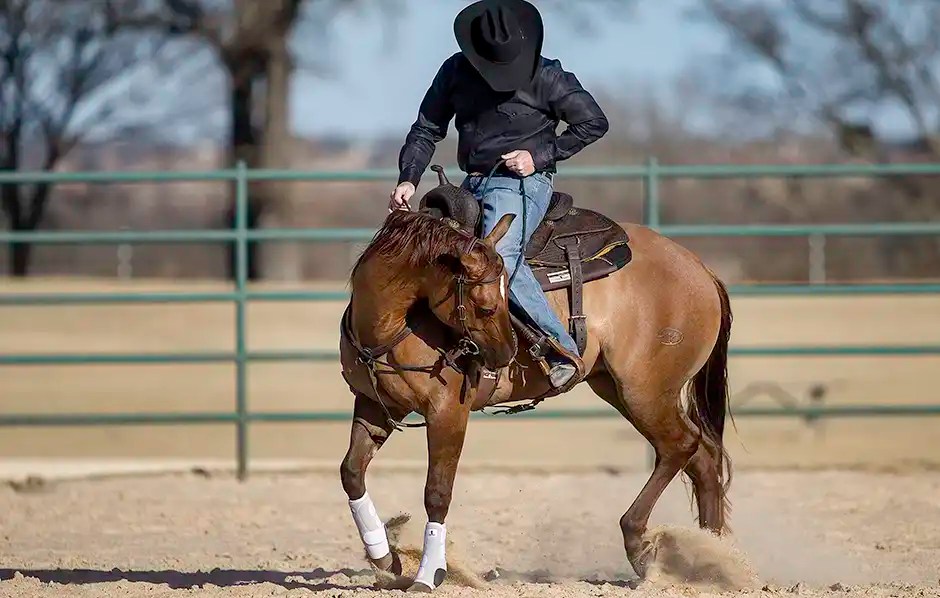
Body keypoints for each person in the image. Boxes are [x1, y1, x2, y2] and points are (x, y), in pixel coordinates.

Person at [389, 0, 609, 389]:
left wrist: (539, 156)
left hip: (523, 183)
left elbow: (593, 122)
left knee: (499, 258)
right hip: (469, 183)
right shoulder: (455, 71)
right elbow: (426, 129)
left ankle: (560, 348)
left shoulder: (548, 76)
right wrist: (409, 177)